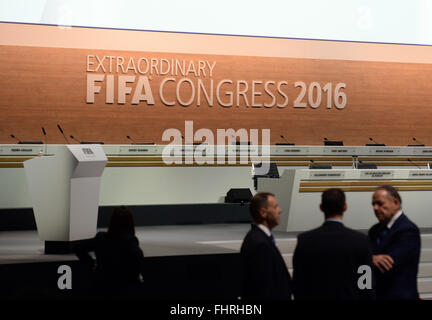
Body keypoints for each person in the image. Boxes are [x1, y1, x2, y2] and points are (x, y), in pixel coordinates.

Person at [292, 188, 374, 300]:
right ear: (345, 207)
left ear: (321, 207)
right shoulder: (361, 240)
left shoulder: (305, 240)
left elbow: (299, 282)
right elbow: (366, 283)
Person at [74, 206, 145, 297]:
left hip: (100, 290)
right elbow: (135, 277)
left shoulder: (101, 239)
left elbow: (78, 248)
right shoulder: (134, 250)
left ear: (112, 222)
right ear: (131, 224)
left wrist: (92, 265)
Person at [368, 185, 421, 300]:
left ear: (396, 202)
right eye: (373, 204)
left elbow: (388, 265)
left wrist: (368, 259)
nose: (375, 208)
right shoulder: (374, 230)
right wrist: (371, 259)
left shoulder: (408, 230)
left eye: (380, 203)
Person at [240, 192, 292, 300]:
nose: (280, 210)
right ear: (263, 212)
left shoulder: (260, 238)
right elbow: (264, 288)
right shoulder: (260, 244)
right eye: (275, 207)